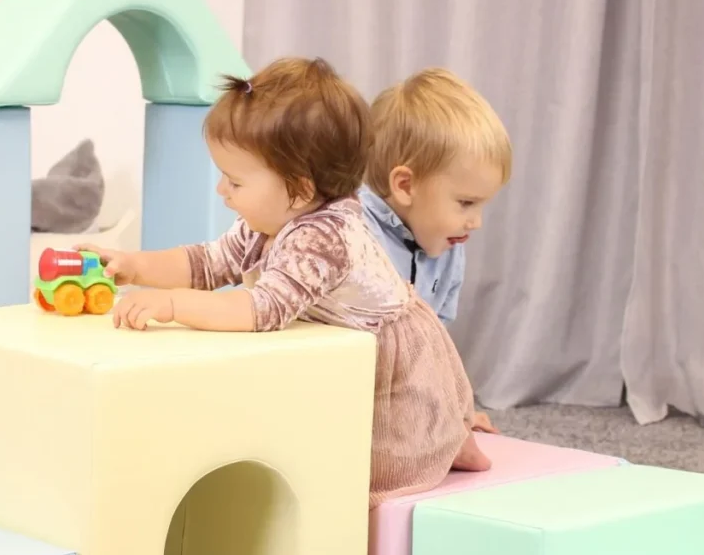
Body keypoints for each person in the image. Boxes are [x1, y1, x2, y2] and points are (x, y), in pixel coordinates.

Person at [85, 56, 490, 506]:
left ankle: (451, 439)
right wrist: (135, 266)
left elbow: (260, 310)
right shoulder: (270, 223)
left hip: (391, 363)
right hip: (340, 355)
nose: (222, 191)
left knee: (375, 462)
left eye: (235, 181)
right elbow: (207, 262)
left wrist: (173, 305)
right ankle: (451, 437)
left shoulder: (325, 236)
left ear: (298, 189)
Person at [358, 68, 511, 434]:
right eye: (466, 203)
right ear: (405, 185)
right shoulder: (353, 237)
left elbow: (435, 347)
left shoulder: (447, 243)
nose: (476, 222)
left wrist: (457, 409)